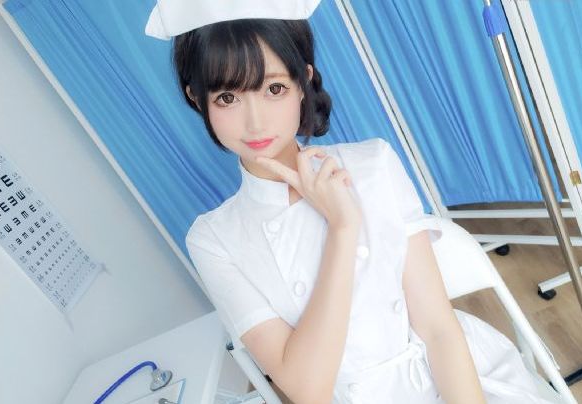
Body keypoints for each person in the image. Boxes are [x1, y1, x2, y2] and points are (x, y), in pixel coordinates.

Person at [146, 1, 556, 403]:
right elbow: (309, 390)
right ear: (197, 98)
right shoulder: (214, 238)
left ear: (303, 82)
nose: (255, 122)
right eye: (227, 98)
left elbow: (438, 329)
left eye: (274, 89)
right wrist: (343, 228)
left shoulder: (374, 164)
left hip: (455, 380)